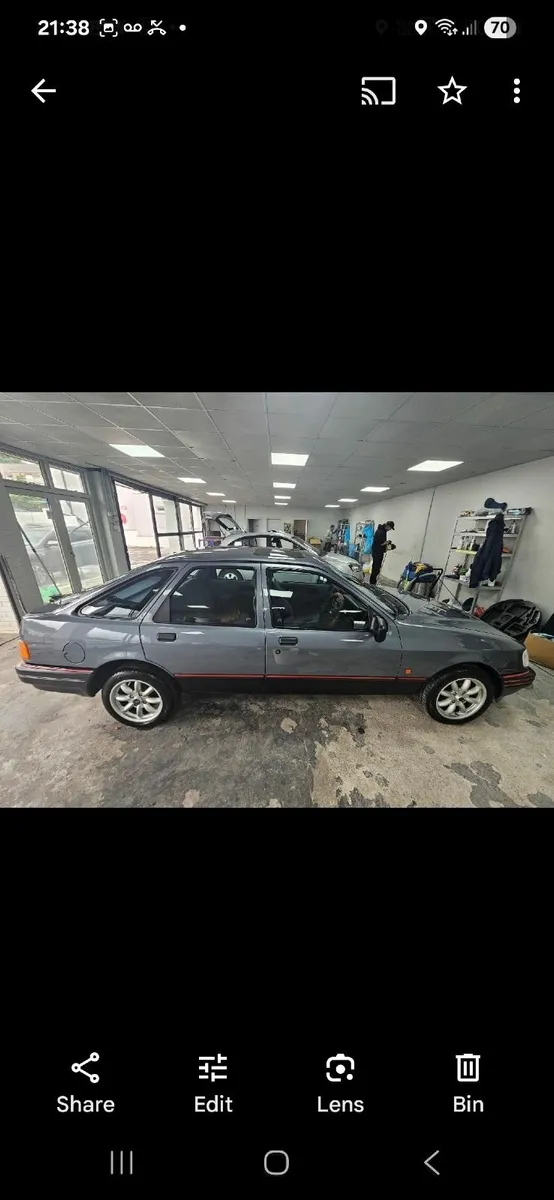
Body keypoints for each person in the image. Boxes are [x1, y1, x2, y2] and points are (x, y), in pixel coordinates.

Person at [370, 521, 395, 585]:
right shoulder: (380, 532)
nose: (390, 529)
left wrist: (388, 546)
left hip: (378, 552)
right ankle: (372, 583)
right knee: (376, 569)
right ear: (387, 526)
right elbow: (380, 543)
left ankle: (373, 582)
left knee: (376, 568)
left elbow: (381, 543)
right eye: (390, 528)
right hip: (377, 553)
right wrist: (387, 542)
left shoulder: (383, 531)